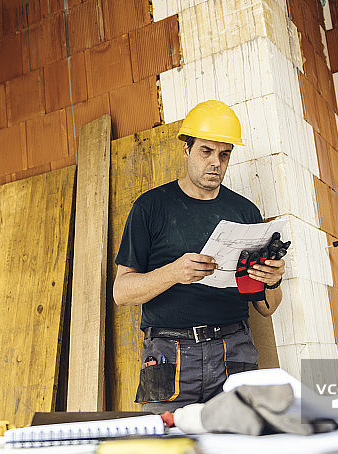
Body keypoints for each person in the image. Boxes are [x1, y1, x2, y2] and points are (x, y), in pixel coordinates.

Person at [112, 100, 286, 414]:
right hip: (168, 354)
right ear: (187, 151)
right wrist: (174, 272)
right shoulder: (151, 207)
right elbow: (121, 293)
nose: (215, 163)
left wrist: (272, 281)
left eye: (224, 154)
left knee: (241, 448)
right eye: (206, 151)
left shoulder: (245, 212)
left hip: (234, 350)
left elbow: (267, 308)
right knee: (165, 449)